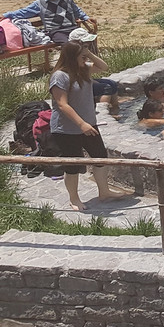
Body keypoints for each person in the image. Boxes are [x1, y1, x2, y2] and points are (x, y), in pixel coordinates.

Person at [45, 41, 131, 211]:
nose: (85, 59)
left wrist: (88, 54)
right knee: (73, 165)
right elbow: (62, 105)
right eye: (82, 56)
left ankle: (104, 192)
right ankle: (74, 199)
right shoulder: (60, 77)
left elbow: (103, 66)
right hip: (67, 129)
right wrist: (81, 124)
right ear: (71, 57)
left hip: (89, 124)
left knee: (100, 157)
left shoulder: (83, 69)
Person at [0, 0, 97, 44]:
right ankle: (72, 67)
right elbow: (24, 12)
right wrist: (7, 15)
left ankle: (90, 65)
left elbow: (77, 11)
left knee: (88, 40)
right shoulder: (40, 3)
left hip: (72, 28)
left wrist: (86, 18)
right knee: (68, 45)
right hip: (56, 31)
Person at [68, 27, 119, 116]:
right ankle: (104, 113)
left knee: (112, 84)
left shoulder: (83, 55)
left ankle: (115, 108)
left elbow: (103, 67)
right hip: (78, 86)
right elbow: (74, 78)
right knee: (106, 88)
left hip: (86, 81)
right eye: (85, 45)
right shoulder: (71, 59)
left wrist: (88, 53)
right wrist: (90, 81)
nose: (88, 45)